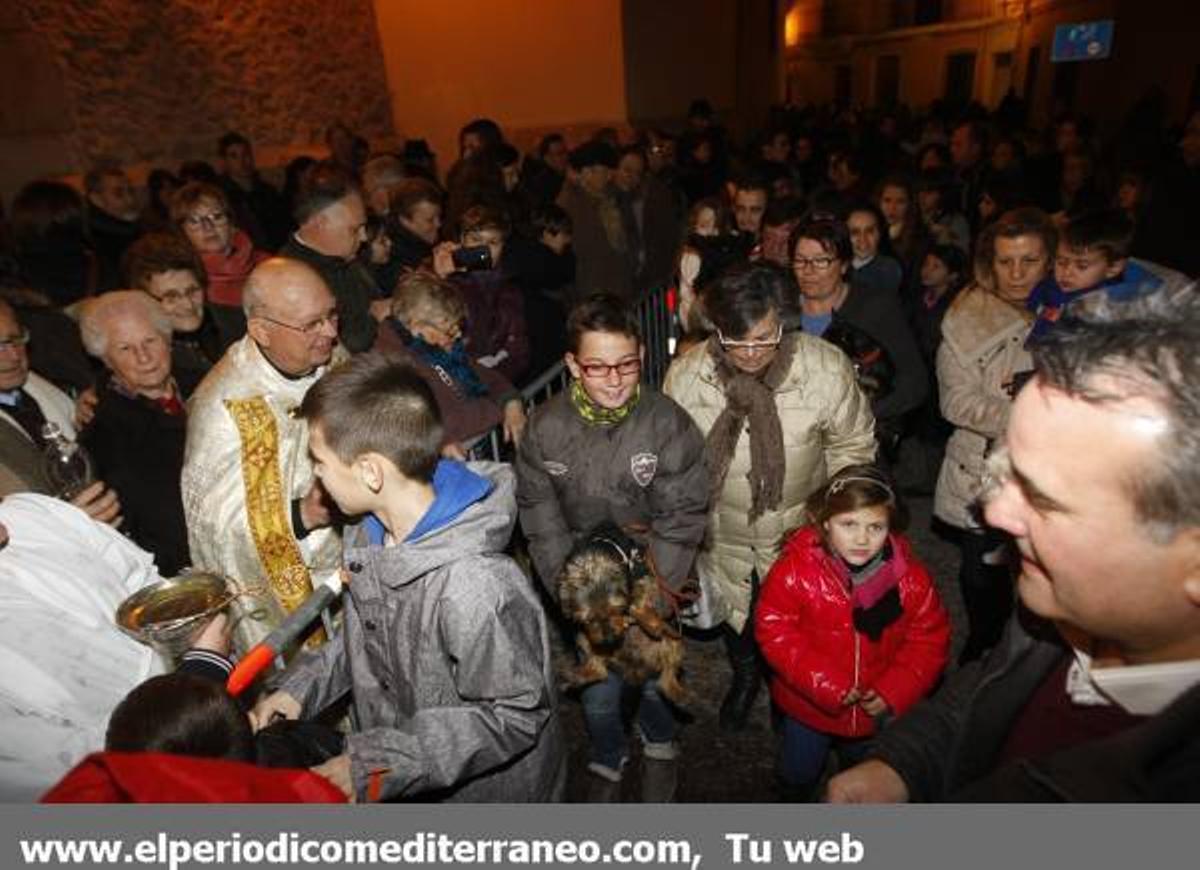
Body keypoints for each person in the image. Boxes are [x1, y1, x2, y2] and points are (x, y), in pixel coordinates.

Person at [828, 282, 1200, 802]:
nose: (995, 512)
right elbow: (991, 691)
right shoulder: (1050, 614)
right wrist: (905, 766)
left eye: (1044, 499)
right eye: (1009, 474)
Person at [252, 353, 566, 802]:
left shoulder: (474, 585)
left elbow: (514, 713)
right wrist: (302, 689)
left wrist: (381, 761)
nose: (315, 476)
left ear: (370, 473)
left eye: (319, 461)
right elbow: (364, 636)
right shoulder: (367, 531)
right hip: (412, 776)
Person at [663, 262, 876, 733]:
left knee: (795, 625)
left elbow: (852, 447)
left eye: (765, 337)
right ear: (717, 331)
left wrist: (835, 519)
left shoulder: (824, 368)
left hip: (799, 530)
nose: (752, 352)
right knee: (737, 617)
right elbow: (671, 458)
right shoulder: (687, 376)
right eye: (736, 341)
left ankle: (791, 693)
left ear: (783, 322)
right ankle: (745, 676)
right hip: (723, 534)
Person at [516, 294, 708, 801]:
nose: (615, 379)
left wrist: (655, 600)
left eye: (626, 364)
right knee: (600, 692)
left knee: (652, 679)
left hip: (653, 579)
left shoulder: (666, 422)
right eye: (598, 367)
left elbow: (683, 514)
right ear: (573, 365)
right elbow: (541, 518)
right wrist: (573, 592)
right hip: (587, 583)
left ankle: (661, 743)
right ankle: (608, 753)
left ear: (641, 356)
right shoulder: (544, 428)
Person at [0, 493, 229, 800]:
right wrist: (200, 674)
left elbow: (143, 581)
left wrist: (190, 620)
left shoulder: (29, 512)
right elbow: (77, 775)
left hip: (223, 705)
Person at [756, 465, 949, 799]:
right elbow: (775, 631)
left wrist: (894, 690)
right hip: (810, 706)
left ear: (891, 528)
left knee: (861, 774)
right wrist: (825, 683)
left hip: (875, 709)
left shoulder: (910, 580)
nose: (862, 539)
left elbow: (929, 639)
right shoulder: (795, 571)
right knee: (798, 769)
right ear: (826, 521)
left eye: (876, 527)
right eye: (849, 524)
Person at [181, 258, 345, 653]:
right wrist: (301, 514)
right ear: (261, 331)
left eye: (332, 314)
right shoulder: (224, 406)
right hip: (305, 581)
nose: (330, 332)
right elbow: (215, 528)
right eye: (312, 324)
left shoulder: (330, 357)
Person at [934, 207, 1055, 663]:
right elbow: (955, 403)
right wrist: (1029, 413)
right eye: (1006, 261)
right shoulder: (968, 318)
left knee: (1043, 572)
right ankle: (984, 640)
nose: (1017, 273)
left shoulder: (1070, 310)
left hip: (1052, 471)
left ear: (1050, 261)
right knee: (981, 571)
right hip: (981, 469)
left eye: (1030, 260)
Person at [78, 292, 198, 576]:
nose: (143, 357)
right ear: (106, 360)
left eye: (150, 341)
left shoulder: (206, 381)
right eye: (125, 349)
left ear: (167, 339)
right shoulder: (100, 439)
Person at [791, 218, 927, 457]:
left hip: (859, 446)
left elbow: (915, 382)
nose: (808, 271)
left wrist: (862, 412)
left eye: (821, 261)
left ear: (844, 265)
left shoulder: (875, 309)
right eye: (800, 261)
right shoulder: (783, 312)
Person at [374, 271, 525, 453]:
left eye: (457, 327)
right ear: (416, 327)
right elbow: (437, 425)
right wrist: (495, 410)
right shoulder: (393, 366)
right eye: (449, 330)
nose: (458, 335)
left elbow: (491, 379)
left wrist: (512, 403)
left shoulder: (444, 350)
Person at [0, 300, 121, 523]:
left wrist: (89, 414)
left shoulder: (43, 388)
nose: (14, 355)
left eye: (16, 339)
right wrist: (65, 525)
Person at [279, 161, 379, 353]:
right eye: (355, 229)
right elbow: (329, 348)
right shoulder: (292, 278)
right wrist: (375, 315)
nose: (364, 237)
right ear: (320, 223)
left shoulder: (345, 254)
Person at [1026, 209, 1161, 341]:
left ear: (1113, 268)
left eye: (1082, 266)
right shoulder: (1047, 287)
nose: (1066, 272)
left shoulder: (1110, 307)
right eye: (1061, 262)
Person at [171, 181, 268, 346]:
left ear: (231, 224)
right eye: (194, 220)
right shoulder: (183, 282)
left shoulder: (267, 265)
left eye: (216, 216)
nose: (208, 227)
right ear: (182, 232)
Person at [124, 232, 227, 381]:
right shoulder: (145, 363)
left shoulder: (236, 326)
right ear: (143, 303)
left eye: (192, 291)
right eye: (171, 297)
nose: (188, 304)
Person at [444, 205, 530, 383]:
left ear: (503, 246)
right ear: (462, 240)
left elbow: (519, 352)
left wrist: (489, 381)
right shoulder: (445, 279)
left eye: (492, 243)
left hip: (493, 387)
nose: (483, 251)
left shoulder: (510, 289)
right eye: (476, 240)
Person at [557, 140, 634, 301]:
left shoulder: (613, 199)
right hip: (588, 289)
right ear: (587, 172)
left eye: (610, 171)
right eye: (604, 171)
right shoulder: (571, 203)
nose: (609, 176)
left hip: (617, 287)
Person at [217, 131, 290, 251]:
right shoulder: (221, 196)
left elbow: (284, 225)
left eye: (246, 154)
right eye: (234, 156)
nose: (242, 161)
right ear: (224, 162)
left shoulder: (268, 192)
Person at [83, 163, 142, 293]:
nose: (130, 200)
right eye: (119, 194)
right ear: (96, 199)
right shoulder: (93, 241)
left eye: (130, 191)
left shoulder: (137, 228)